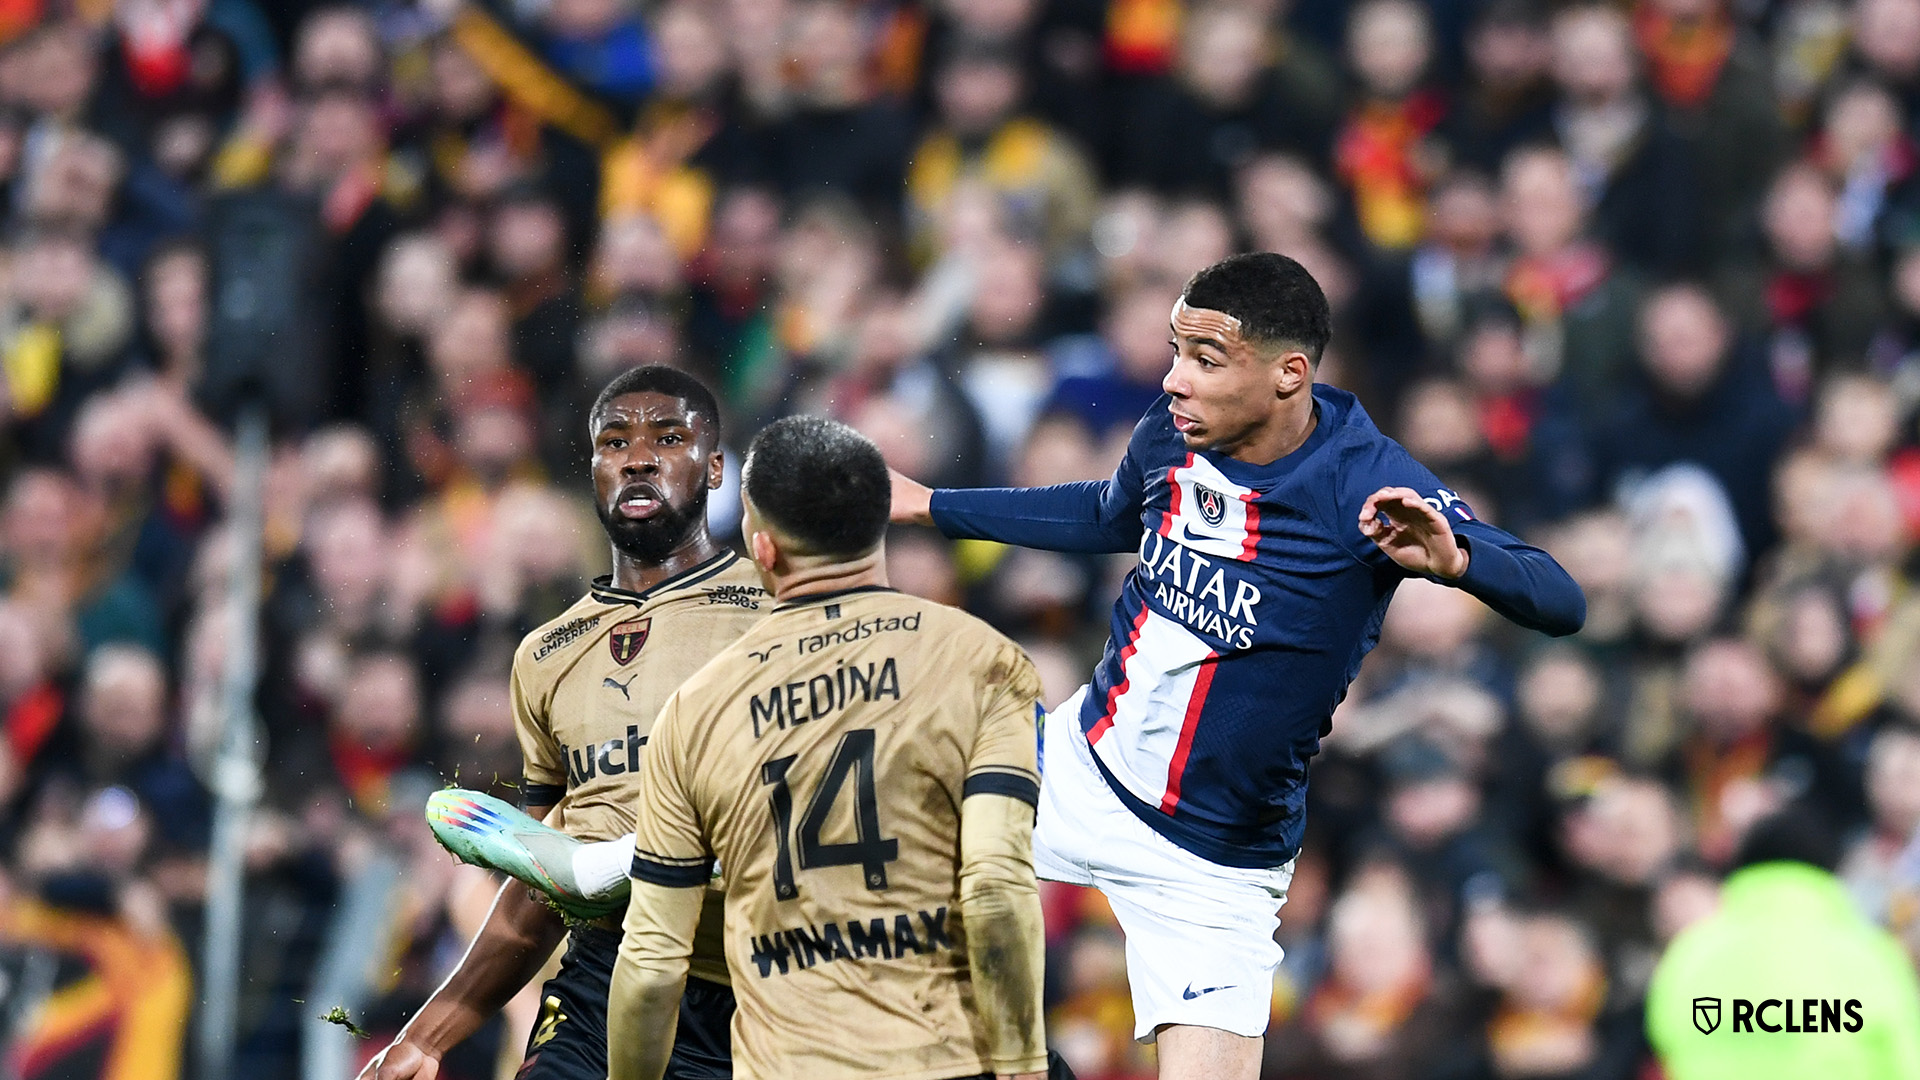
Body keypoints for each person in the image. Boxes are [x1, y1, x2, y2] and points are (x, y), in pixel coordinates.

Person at [889, 252, 1586, 1079]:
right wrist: (932, 505)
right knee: (858, 884)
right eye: (1176, 351)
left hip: (1213, 864)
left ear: (1289, 374)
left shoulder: (1364, 480)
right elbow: (1112, 511)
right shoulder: (1174, 430)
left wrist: (1462, 561)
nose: (1175, 379)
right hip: (1079, 766)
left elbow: (1561, 599)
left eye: (1205, 360)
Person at [607, 416, 1052, 1080]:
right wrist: (1023, 1063)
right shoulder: (981, 660)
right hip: (947, 1060)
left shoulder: (694, 711)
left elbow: (650, 968)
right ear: (881, 525)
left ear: (763, 548)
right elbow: (993, 889)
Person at [362, 365, 769, 1080]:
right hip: (596, 988)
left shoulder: (775, 613)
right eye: (614, 442)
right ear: (592, 470)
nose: (637, 457)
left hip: (749, 992)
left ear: (712, 470)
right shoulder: (546, 654)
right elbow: (545, 873)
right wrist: (427, 1036)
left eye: (668, 438)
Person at [1646, 812, 1920, 1079]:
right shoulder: (1869, 956)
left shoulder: (1689, 955)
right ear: (1830, 870)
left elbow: (1667, 1047)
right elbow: (1905, 1062)